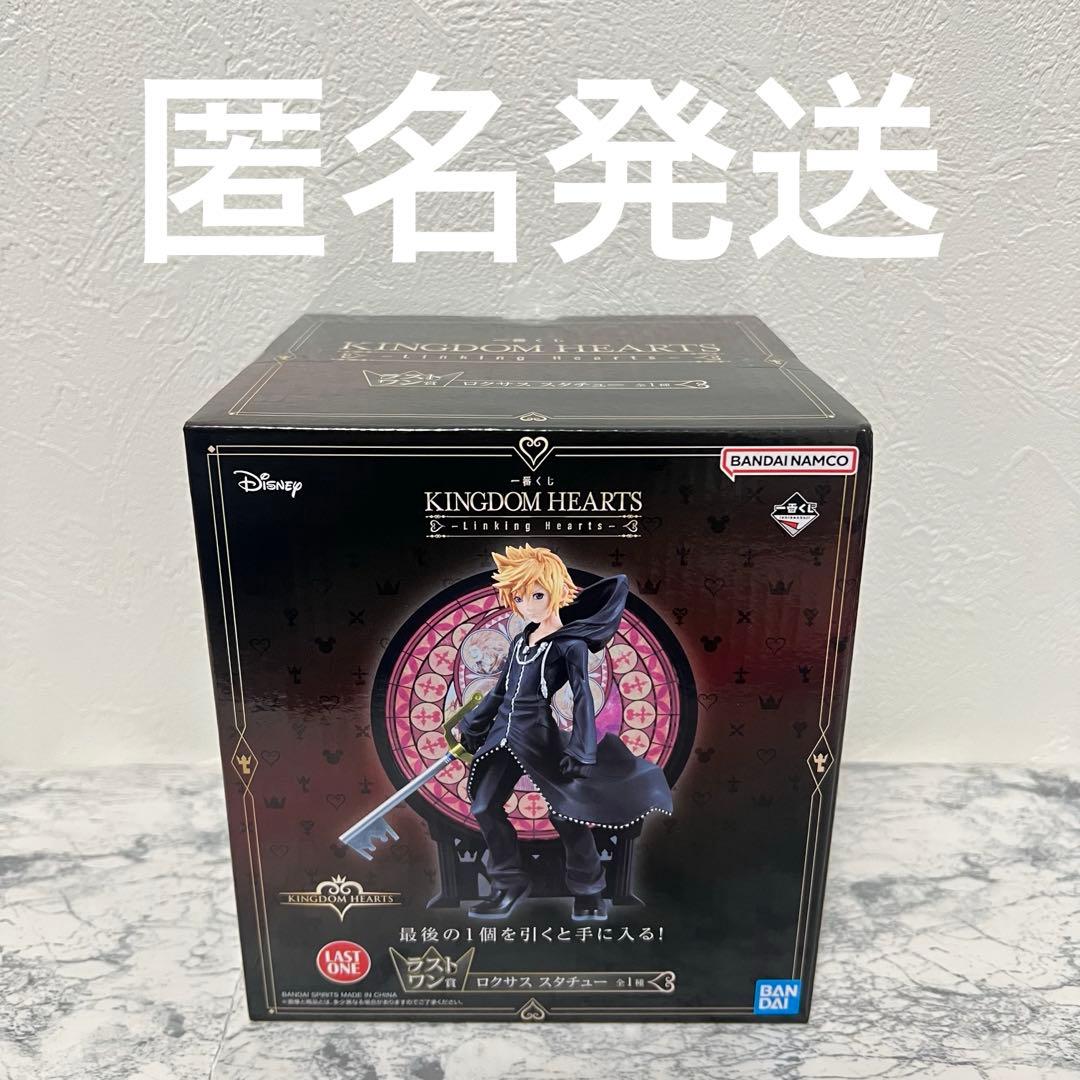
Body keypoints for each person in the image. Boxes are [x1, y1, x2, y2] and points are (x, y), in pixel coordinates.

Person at [457, 544, 673, 922]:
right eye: (519, 598)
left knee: (566, 813)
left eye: (536, 595)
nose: (527, 605)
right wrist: (474, 724)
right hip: (502, 737)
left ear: (557, 591)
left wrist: (581, 749)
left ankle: (589, 892)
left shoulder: (570, 645)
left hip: (537, 736)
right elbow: (500, 691)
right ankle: (508, 884)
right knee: (484, 806)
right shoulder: (520, 642)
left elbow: (583, 698)